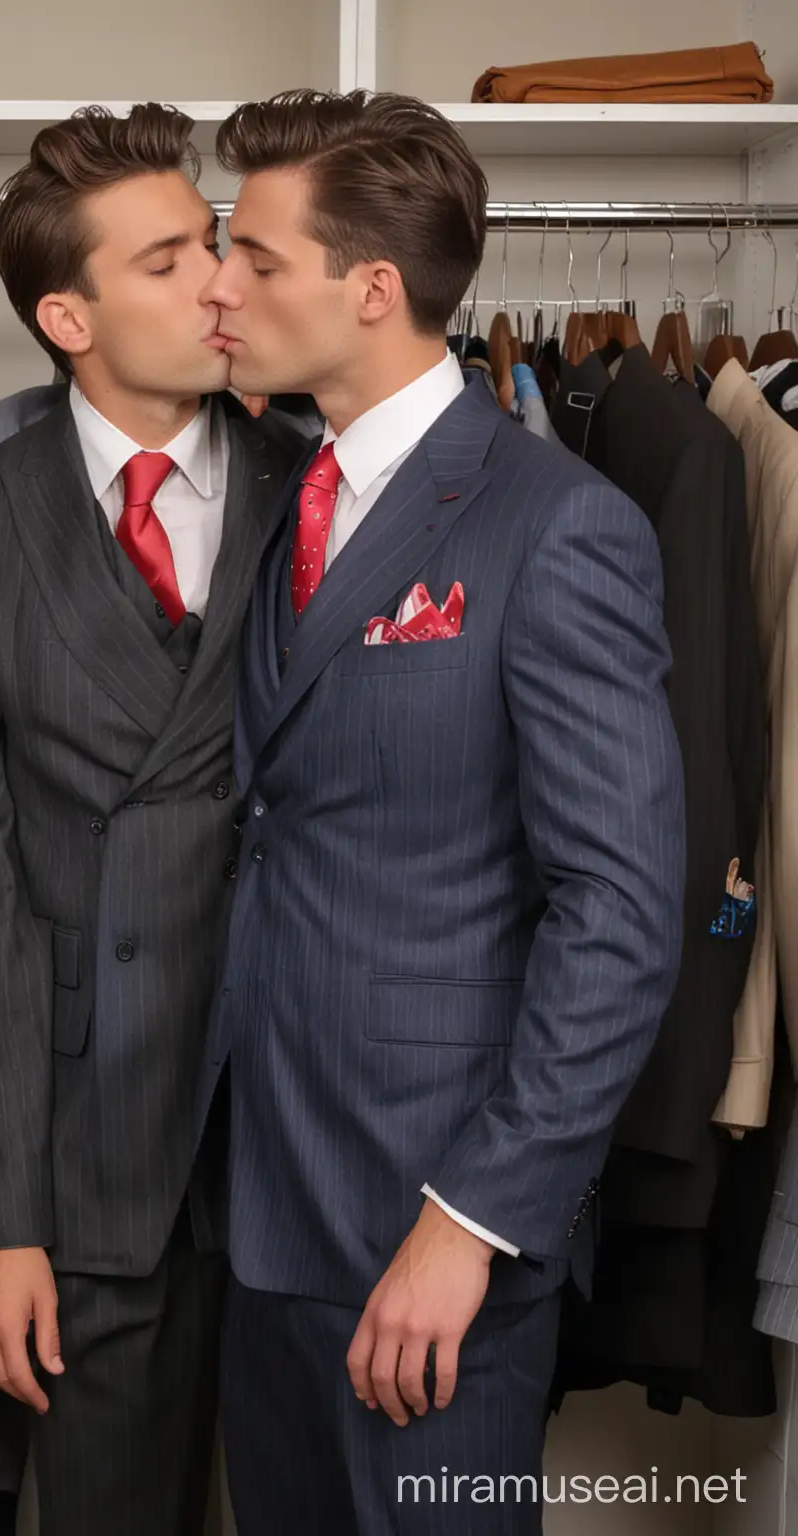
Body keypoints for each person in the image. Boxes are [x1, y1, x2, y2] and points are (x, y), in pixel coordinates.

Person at [195, 89, 685, 1535]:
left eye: (257, 258)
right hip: (261, 1204)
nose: (221, 284)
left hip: (429, 1225)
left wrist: (469, 1224)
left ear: (372, 288)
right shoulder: (285, 491)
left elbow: (621, 915)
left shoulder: (556, 523)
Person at [0, 103, 313, 1536]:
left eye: (214, 245)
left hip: (308, 1123)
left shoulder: (327, 490)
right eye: (167, 262)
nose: (222, 281)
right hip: (91, 1145)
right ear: (67, 315)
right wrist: (7, 1217)